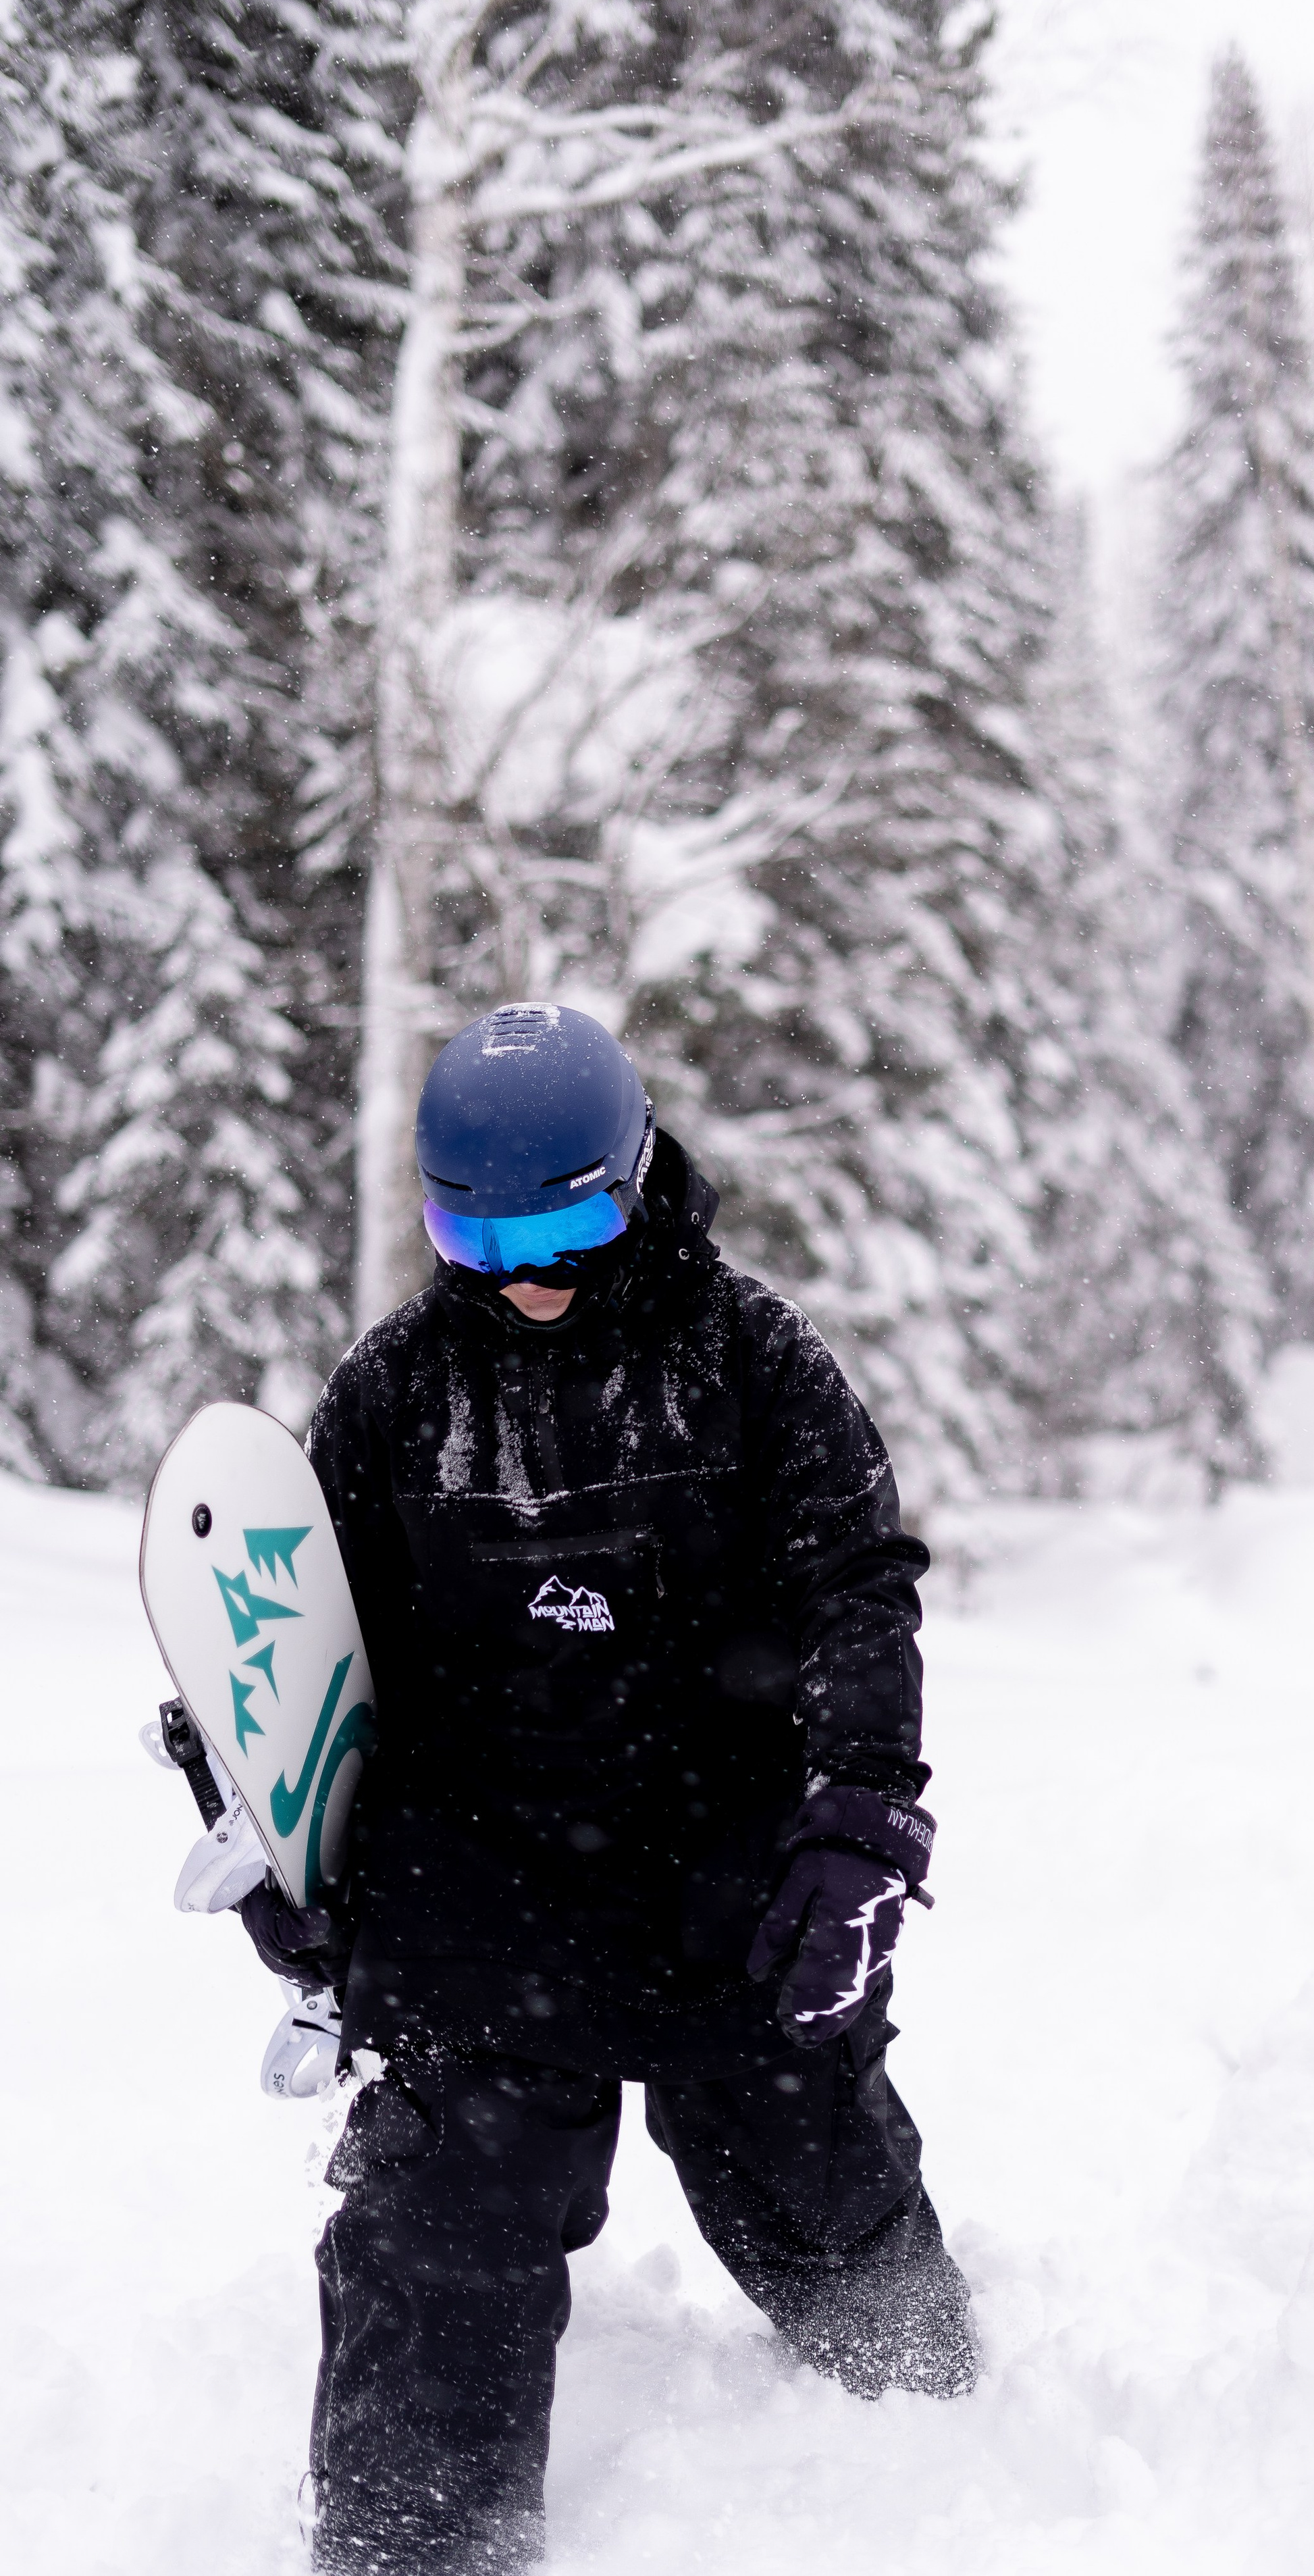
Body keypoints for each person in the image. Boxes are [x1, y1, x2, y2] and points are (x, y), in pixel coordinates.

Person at [236, 1003, 974, 2576]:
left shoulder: (753, 1362)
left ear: (638, 1178)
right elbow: (294, 1649)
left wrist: (860, 1823)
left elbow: (855, 1593)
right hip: (479, 1877)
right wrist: (288, 1849)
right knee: (445, 2208)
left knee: (803, 2170)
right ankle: (415, 2550)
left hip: (723, 1858)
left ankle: (954, 2446)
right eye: (478, 1238)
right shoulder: (395, 1392)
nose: (529, 1276)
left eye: (565, 1229)